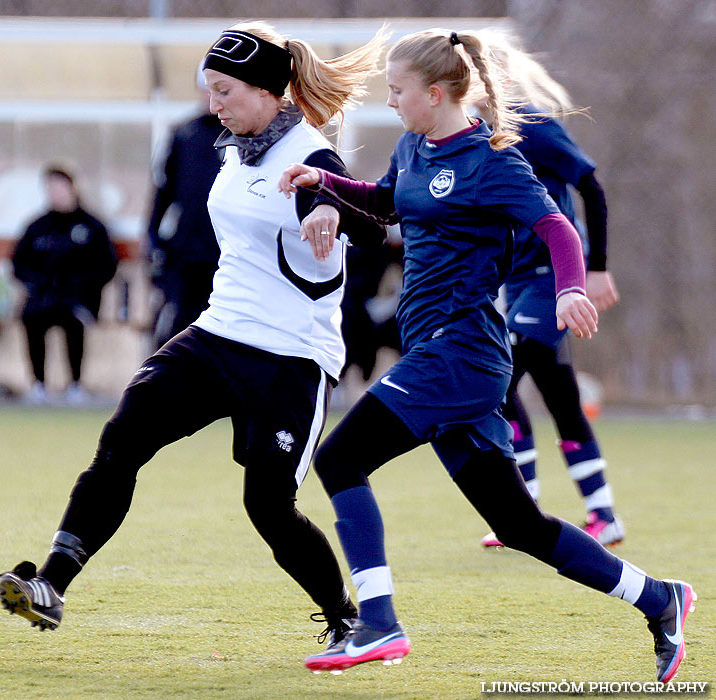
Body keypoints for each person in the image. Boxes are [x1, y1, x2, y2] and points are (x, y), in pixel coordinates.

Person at [278, 29, 694, 682]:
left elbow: (556, 226)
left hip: (461, 356)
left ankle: (379, 624)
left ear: (437, 93)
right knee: (518, 522)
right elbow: (388, 205)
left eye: (397, 90)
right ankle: (659, 598)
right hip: (438, 356)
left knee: (339, 458)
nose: (390, 101)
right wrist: (324, 181)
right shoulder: (415, 146)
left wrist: (571, 290)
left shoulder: (494, 160)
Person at [0, 22, 388, 653]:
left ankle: (349, 621)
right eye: (210, 90)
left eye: (225, 91)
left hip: (289, 358)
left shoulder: (312, 156)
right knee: (121, 443)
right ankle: (50, 585)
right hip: (216, 334)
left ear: (266, 90)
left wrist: (329, 205)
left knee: (268, 507)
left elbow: (368, 222)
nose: (214, 105)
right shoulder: (236, 145)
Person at [475, 35, 623, 548]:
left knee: (501, 377)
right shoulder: (474, 137)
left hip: (553, 279)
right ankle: (598, 511)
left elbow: (592, 185)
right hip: (516, 283)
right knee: (554, 392)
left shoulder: (534, 127)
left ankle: (524, 508)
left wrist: (597, 267)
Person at [11, 165, 118, 405]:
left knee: (73, 321)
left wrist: (81, 286)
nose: (54, 192)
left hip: (78, 299)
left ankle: (75, 385)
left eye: (59, 186)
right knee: (32, 318)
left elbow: (106, 266)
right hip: (43, 298)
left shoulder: (91, 227)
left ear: (72, 188)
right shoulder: (37, 227)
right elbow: (18, 264)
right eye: (49, 187)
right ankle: (38, 384)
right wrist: (37, 284)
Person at [147, 65, 224, 348]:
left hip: (227, 249)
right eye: (206, 91)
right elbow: (163, 191)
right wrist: (153, 236)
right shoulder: (183, 134)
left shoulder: (243, 135)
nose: (211, 99)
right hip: (187, 249)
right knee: (179, 323)